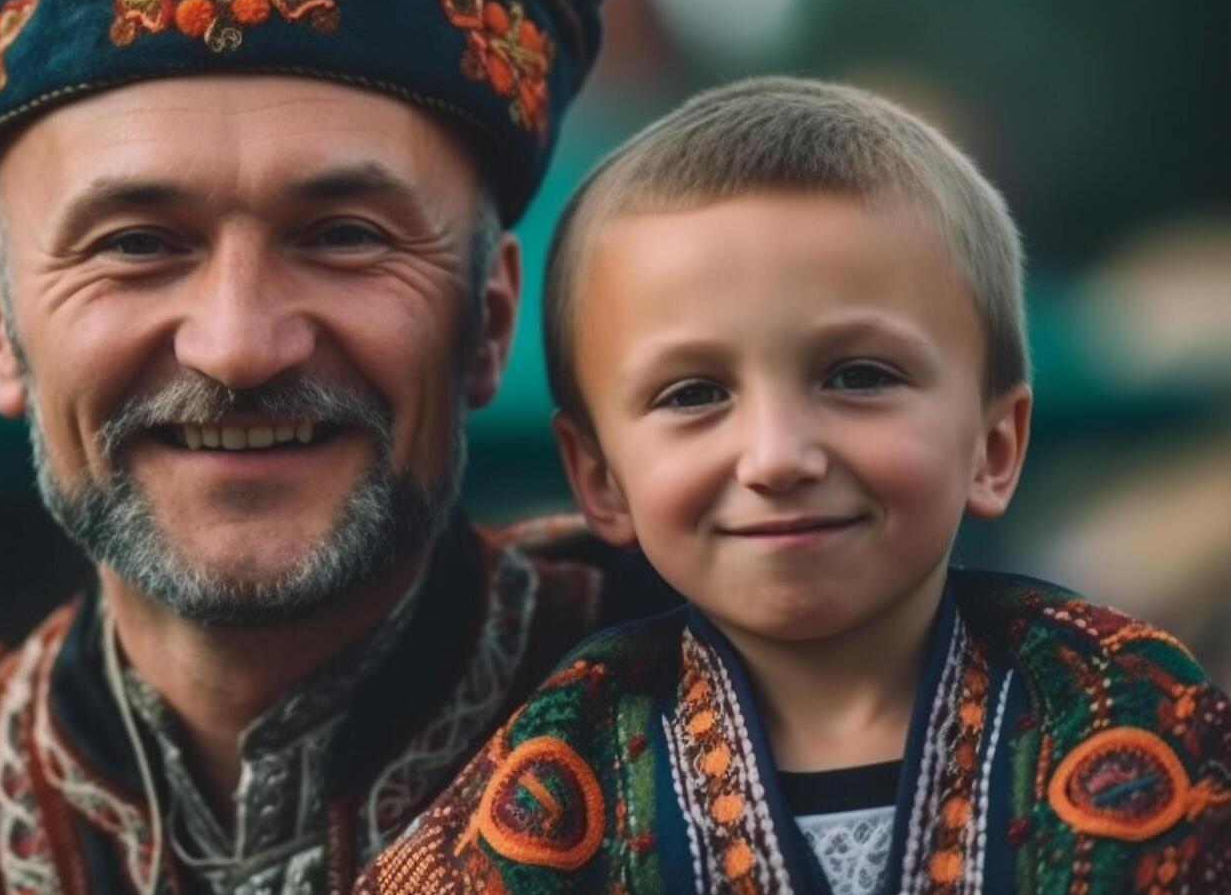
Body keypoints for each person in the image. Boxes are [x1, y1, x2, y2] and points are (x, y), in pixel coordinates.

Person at [0, 0, 678, 894]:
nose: (236, 345)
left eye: (343, 234)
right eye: (137, 244)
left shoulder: (742, 741)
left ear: (488, 321)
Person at [355, 78, 1231, 894]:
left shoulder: (1137, 711)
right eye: (693, 394)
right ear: (600, 479)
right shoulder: (558, 775)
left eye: (857, 376)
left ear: (994, 446)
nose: (775, 456)